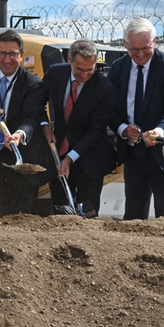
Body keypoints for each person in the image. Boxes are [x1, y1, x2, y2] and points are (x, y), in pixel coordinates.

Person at [107, 18, 164, 219]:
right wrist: (122, 129)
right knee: (134, 216)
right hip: (133, 153)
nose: (140, 54)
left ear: (155, 41)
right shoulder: (118, 69)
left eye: (145, 48)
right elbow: (108, 107)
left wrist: (160, 130)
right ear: (125, 44)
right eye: (133, 49)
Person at [0, 30, 54, 219]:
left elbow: (31, 119)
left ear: (22, 55)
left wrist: (20, 135)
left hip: (20, 160)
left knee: (20, 218)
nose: (7, 60)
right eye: (2, 54)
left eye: (13, 54)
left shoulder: (33, 84)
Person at [42, 40, 117, 217]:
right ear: (69, 60)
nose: (84, 75)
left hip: (89, 160)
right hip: (58, 154)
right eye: (79, 70)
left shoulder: (104, 88)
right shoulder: (55, 73)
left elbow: (96, 130)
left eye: (89, 70)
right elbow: (37, 102)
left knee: (87, 216)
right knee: (61, 213)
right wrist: (45, 125)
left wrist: (70, 158)